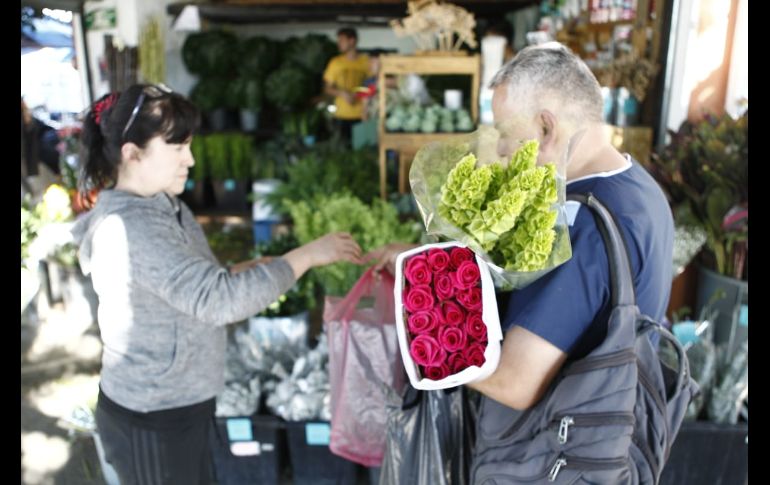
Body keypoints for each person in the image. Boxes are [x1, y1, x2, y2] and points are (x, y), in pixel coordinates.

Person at [366, 42, 674, 479]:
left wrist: (423, 323)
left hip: (547, 461)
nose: (502, 149)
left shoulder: (579, 227)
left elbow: (514, 383)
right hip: (605, 453)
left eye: (504, 132)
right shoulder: (638, 187)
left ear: (546, 127)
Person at [71, 83, 363, 484]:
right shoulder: (131, 228)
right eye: (177, 147)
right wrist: (307, 256)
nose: (189, 160)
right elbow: (219, 301)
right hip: (153, 419)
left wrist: (248, 268)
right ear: (132, 153)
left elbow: (191, 284)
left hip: (181, 406)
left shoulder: (164, 205)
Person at [323, 27, 370, 143]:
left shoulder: (366, 61)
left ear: (352, 41)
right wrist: (342, 93)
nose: (338, 43)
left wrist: (357, 93)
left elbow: (373, 85)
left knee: (362, 148)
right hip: (340, 115)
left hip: (362, 115)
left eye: (341, 40)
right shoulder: (335, 62)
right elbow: (327, 88)